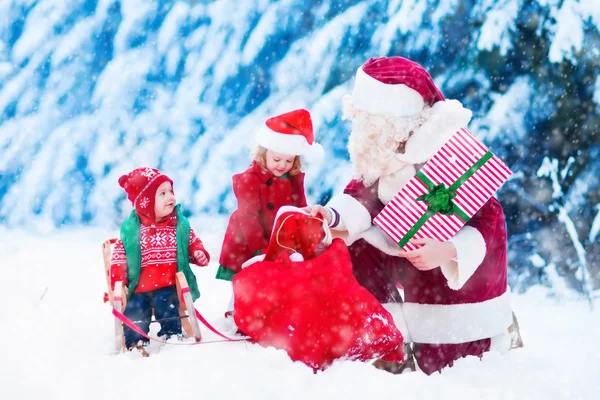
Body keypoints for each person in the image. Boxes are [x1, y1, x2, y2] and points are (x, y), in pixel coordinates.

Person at [306, 56, 521, 375]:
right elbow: (361, 196)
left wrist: (446, 251)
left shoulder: (451, 155)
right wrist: (331, 217)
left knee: (449, 361)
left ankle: (489, 339)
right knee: (356, 245)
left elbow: (489, 220)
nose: (362, 131)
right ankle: (381, 334)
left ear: (394, 121)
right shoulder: (385, 154)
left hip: (451, 271)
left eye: (369, 122)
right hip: (406, 254)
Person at [232, 206, 405, 372]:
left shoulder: (272, 274)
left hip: (305, 346)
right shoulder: (332, 265)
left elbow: (250, 307)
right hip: (340, 338)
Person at [216, 108, 323, 317]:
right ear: (263, 153)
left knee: (279, 273)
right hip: (249, 236)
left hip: (278, 234)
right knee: (246, 274)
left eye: (288, 161)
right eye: (277, 159)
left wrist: (306, 220)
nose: (282, 165)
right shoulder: (249, 179)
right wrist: (259, 248)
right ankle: (237, 310)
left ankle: (274, 308)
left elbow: (297, 207)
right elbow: (248, 217)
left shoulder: (293, 178)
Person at [110, 167, 210, 356]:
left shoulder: (178, 225)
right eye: (162, 193)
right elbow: (120, 256)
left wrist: (197, 252)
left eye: (171, 191)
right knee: (135, 310)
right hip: (138, 287)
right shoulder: (133, 231)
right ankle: (136, 341)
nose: (170, 197)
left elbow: (191, 241)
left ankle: (172, 336)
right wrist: (118, 280)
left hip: (168, 284)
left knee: (169, 305)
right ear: (145, 202)